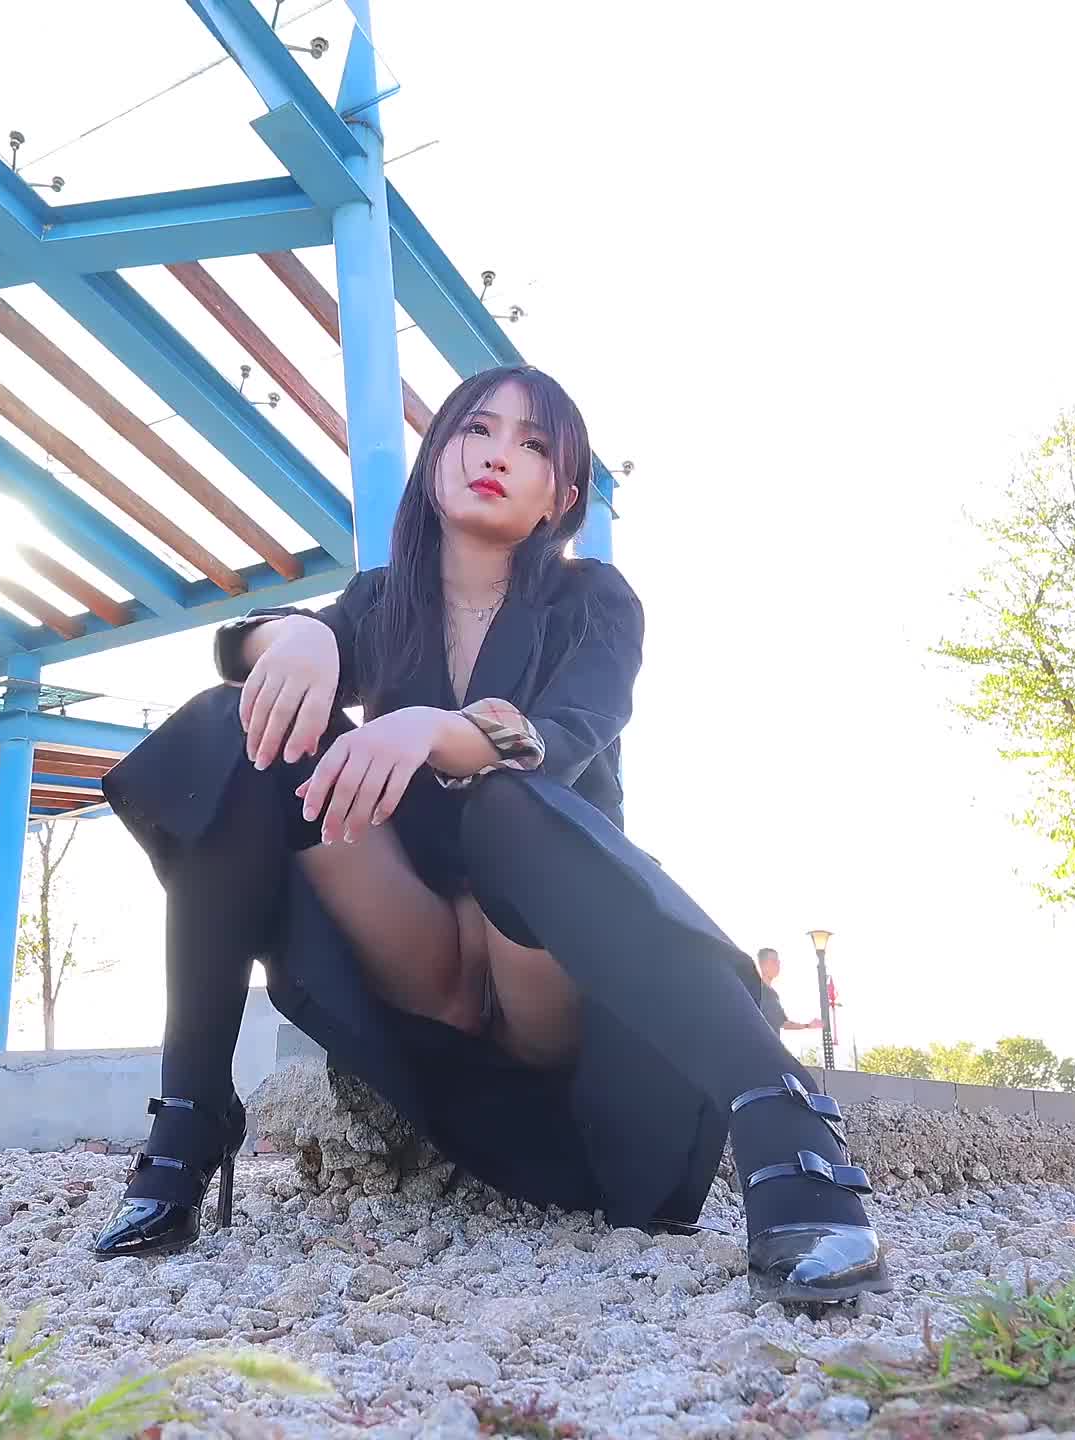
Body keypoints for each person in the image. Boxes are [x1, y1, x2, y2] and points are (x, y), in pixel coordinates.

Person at [94, 365, 888, 1302]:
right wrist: (299, 638)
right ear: (437, 456)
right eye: (477, 429)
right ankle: (191, 1115)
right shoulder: (383, 603)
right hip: (420, 981)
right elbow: (244, 649)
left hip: (560, 1010)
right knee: (240, 726)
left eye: (534, 443)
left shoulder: (593, 601)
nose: (498, 454)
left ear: (563, 494)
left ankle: (785, 1124)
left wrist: (434, 728)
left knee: (506, 802)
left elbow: (563, 736)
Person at [755, 948, 822, 1034]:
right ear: (762, 965)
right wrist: (808, 1026)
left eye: (778, 962)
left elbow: (783, 1023)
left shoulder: (773, 994)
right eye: (774, 961)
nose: (778, 964)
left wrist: (808, 1025)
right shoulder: (757, 991)